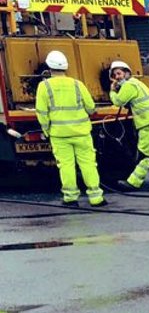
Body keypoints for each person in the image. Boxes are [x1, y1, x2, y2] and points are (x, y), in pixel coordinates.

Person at [35, 50, 106, 207]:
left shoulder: (43, 86)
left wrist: (46, 131)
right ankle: (96, 197)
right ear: (66, 66)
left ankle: (70, 198)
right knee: (88, 164)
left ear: (48, 66)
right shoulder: (77, 84)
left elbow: (42, 112)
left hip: (59, 135)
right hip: (81, 133)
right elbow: (90, 107)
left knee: (66, 166)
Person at [108, 60, 149, 191]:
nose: (117, 77)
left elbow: (118, 102)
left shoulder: (129, 85)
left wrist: (112, 91)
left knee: (143, 153)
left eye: (119, 73)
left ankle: (134, 182)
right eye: (114, 75)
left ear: (127, 73)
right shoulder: (138, 83)